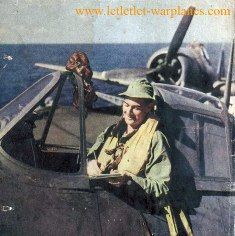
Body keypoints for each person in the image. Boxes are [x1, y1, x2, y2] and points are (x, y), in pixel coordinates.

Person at [87, 78, 171, 212]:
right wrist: (90, 163)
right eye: (126, 105)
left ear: (149, 107)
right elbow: (90, 155)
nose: (128, 112)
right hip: (100, 200)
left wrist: (129, 181)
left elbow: (161, 187)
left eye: (136, 108)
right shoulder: (111, 131)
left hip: (129, 209)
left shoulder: (155, 139)